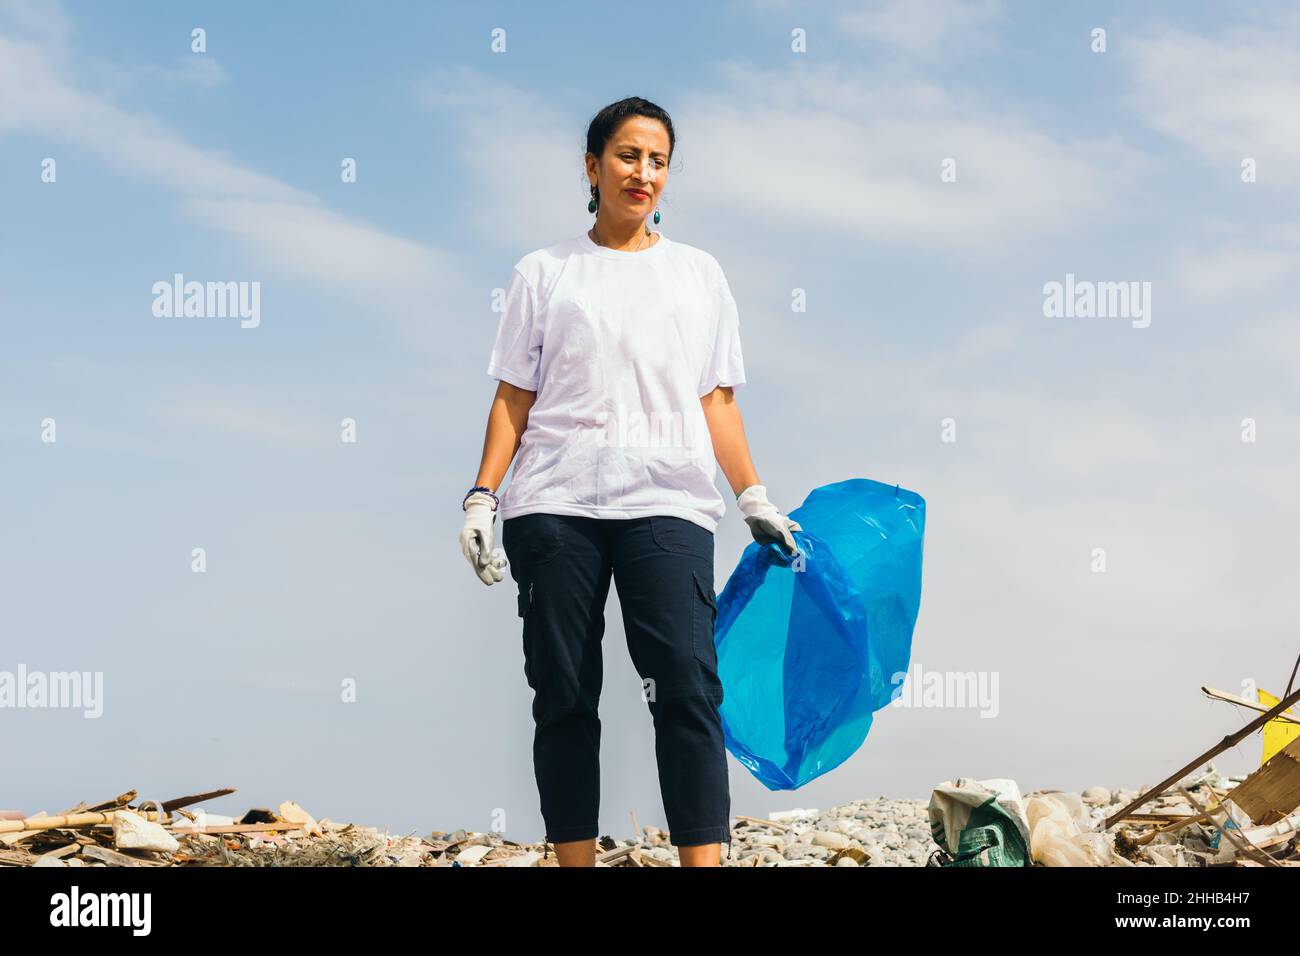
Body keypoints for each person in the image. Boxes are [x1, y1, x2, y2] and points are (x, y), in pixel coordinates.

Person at [458, 96, 801, 868]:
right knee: (565, 696)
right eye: (626, 155)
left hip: (668, 503)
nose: (642, 172)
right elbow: (515, 395)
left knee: (684, 685)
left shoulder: (698, 276)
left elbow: (717, 399)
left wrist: (754, 498)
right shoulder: (544, 273)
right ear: (592, 166)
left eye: (657, 160)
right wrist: (482, 495)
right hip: (553, 504)